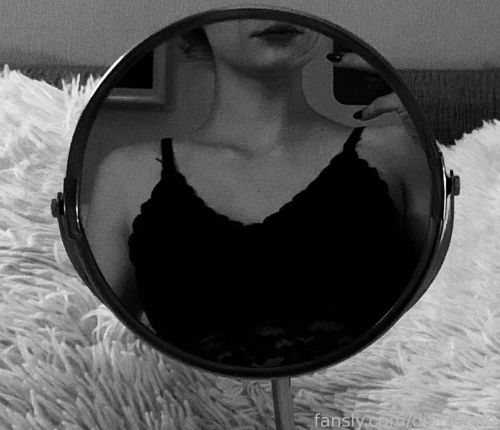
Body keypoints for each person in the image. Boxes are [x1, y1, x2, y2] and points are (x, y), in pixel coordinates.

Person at [85, 19, 431, 367]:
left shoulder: (399, 151)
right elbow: (86, 353)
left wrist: (442, 143)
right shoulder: (127, 175)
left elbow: (454, 317)